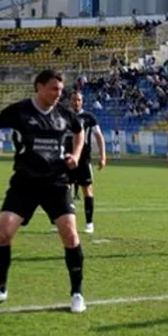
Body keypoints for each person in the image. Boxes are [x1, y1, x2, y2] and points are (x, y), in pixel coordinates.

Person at [0, 69, 88, 313]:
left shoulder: (64, 113)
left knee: (70, 234)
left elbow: (79, 130)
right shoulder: (20, 110)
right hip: (25, 182)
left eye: (60, 90)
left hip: (56, 182)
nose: (58, 94)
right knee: (4, 232)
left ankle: (77, 293)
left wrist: (76, 155)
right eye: (53, 89)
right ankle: (0, 288)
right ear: (38, 87)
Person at [68, 91, 106, 234]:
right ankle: (66, 222)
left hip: (83, 159)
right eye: (73, 100)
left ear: (82, 101)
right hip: (66, 158)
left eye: (78, 100)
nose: (76, 102)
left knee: (87, 190)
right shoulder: (64, 115)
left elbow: (99, 136)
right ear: (70, 101)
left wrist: (102, 156)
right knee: (65, 190)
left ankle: (89, 223)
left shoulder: (89, 117)